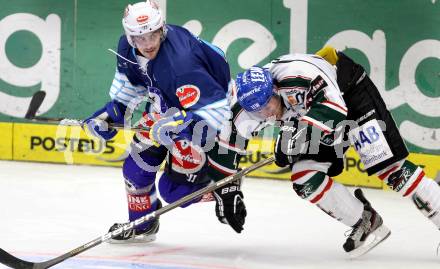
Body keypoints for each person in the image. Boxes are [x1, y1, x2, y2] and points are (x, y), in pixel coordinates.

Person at [231, 47, 440, 257]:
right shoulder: (249, 104)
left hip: (350, 96)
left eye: (268, 106)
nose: (267, 115)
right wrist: (225, 186)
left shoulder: (298, 75)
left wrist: (295, 138)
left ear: (275, 89)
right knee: (305, 178)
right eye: (259, 112)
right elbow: (228, 143)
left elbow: (334, 108)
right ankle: (364, 221)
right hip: (314, 115)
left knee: (393, 171)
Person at [83, 0, 246, 243]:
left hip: (204, 117)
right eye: (140, 38)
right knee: (135, 170)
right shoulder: (126, 49)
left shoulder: (182, 63)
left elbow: (215, 111)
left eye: (153, 35)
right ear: (130, 37)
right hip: (167, 111)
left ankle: (220, 185)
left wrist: (180, 126)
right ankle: (143, 225)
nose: (148, 44)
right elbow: (131, 87)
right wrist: (110, 114)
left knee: (174, 191)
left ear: (162, 30)